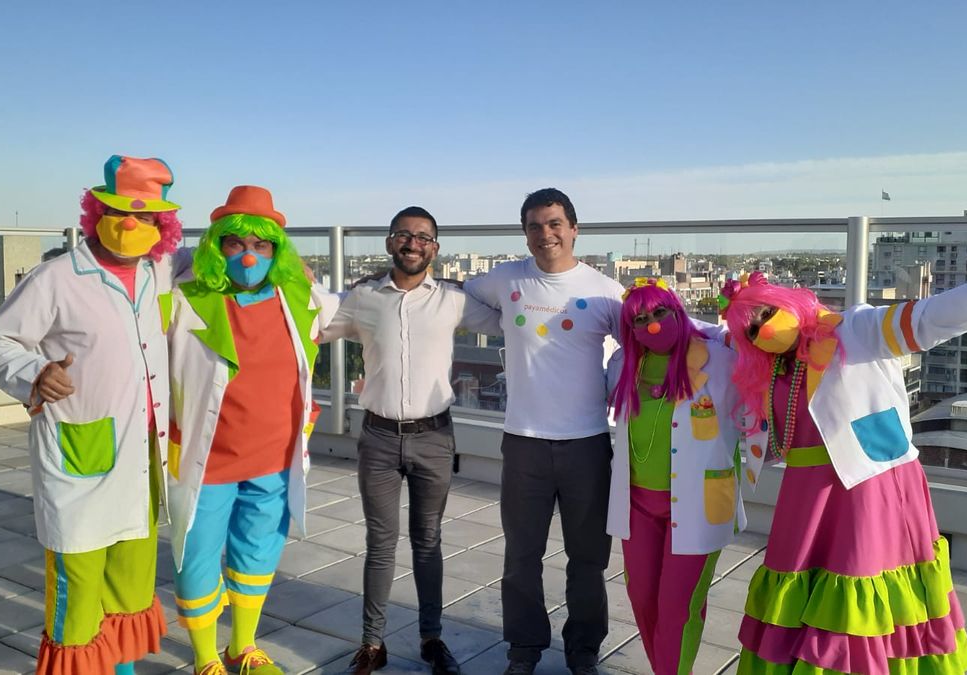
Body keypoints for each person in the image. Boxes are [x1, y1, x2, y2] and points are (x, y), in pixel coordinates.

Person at [722, 226, 967, 675]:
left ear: (789, 300)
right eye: (750, 328)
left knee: (863, 592)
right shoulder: (768, 363)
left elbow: (936, 316)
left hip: (870, 488)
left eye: (765, 313)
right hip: (805, 495)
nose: (761, 328)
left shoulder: (857, 329)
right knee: (798, 594)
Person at [0, 155, 182, 675]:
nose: (134, 224)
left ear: (164, 226)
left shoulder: (159, 269)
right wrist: (35, 372)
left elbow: (224, 256)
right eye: (120, 211)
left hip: (140, 464)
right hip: (80, 462)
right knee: (79, 597)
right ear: (95, 212)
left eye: (150, 216)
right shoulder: (57, 278)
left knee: (130, 590)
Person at [317, 206, 502, 675]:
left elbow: (508, 320)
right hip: (378, 437)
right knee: (380, 544)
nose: (413, 243)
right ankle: (372, 644)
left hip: (433, 437)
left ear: (435, 249)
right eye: (404, 235)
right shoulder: (363, 298)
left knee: (428, 541)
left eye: (424, 237)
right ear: (389, 243)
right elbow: (314, 326)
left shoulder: (454, 301)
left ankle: (431, 637)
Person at [167, 186, 328, 675]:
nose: (249, 255)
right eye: (236, 243)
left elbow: (350, 311)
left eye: (262, 245)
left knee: (258, 551)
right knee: (196, 556)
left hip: (275, 454)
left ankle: (243, 645)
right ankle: (204, 658)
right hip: (208, 457)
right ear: (216, 245)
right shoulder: (185, 298)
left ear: (278, 250)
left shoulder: (300, 296)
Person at [463, 188, 624, 675]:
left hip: (588, 443)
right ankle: (524, 650)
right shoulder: (508, 278)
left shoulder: (605, 291)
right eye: (534, 226)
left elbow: (647, 342)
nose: (545, 234)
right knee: (521, 556)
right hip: (524, 441)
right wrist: (506, 327)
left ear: (574, 229)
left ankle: (582, 652)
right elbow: (464, 299)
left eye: (554, 224)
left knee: (589, 559)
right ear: (525, 233)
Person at [605, 278, 745, 675]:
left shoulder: (720, 361)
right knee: (643, 598)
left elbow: (757, 405)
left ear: (678, 311)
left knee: (678, 608)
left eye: (660, 313)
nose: (651, 325)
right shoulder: (623, 365)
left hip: (699, 505)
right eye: (639, 319)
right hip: (637, 505)